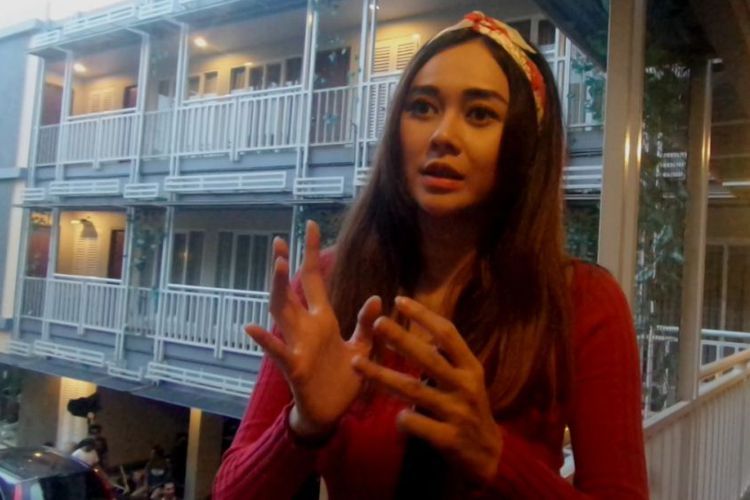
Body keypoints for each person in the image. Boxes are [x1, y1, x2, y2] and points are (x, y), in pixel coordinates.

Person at [213, 11, 648, 499]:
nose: (442, 134)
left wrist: (497, 458)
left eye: (480, 114)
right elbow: (230, 490)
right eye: (422, 107)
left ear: (525, 144)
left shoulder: (582, 302)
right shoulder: (330, 284)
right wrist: (303, 424)